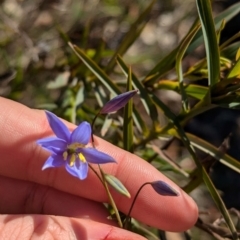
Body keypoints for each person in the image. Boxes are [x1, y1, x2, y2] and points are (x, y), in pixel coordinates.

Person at [0, 97, 198, 239]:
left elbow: (88, 144)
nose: (74, 152)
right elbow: (53, 155)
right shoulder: (62, 154)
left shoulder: (84, 151)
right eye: (73, 149)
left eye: (77, 148)